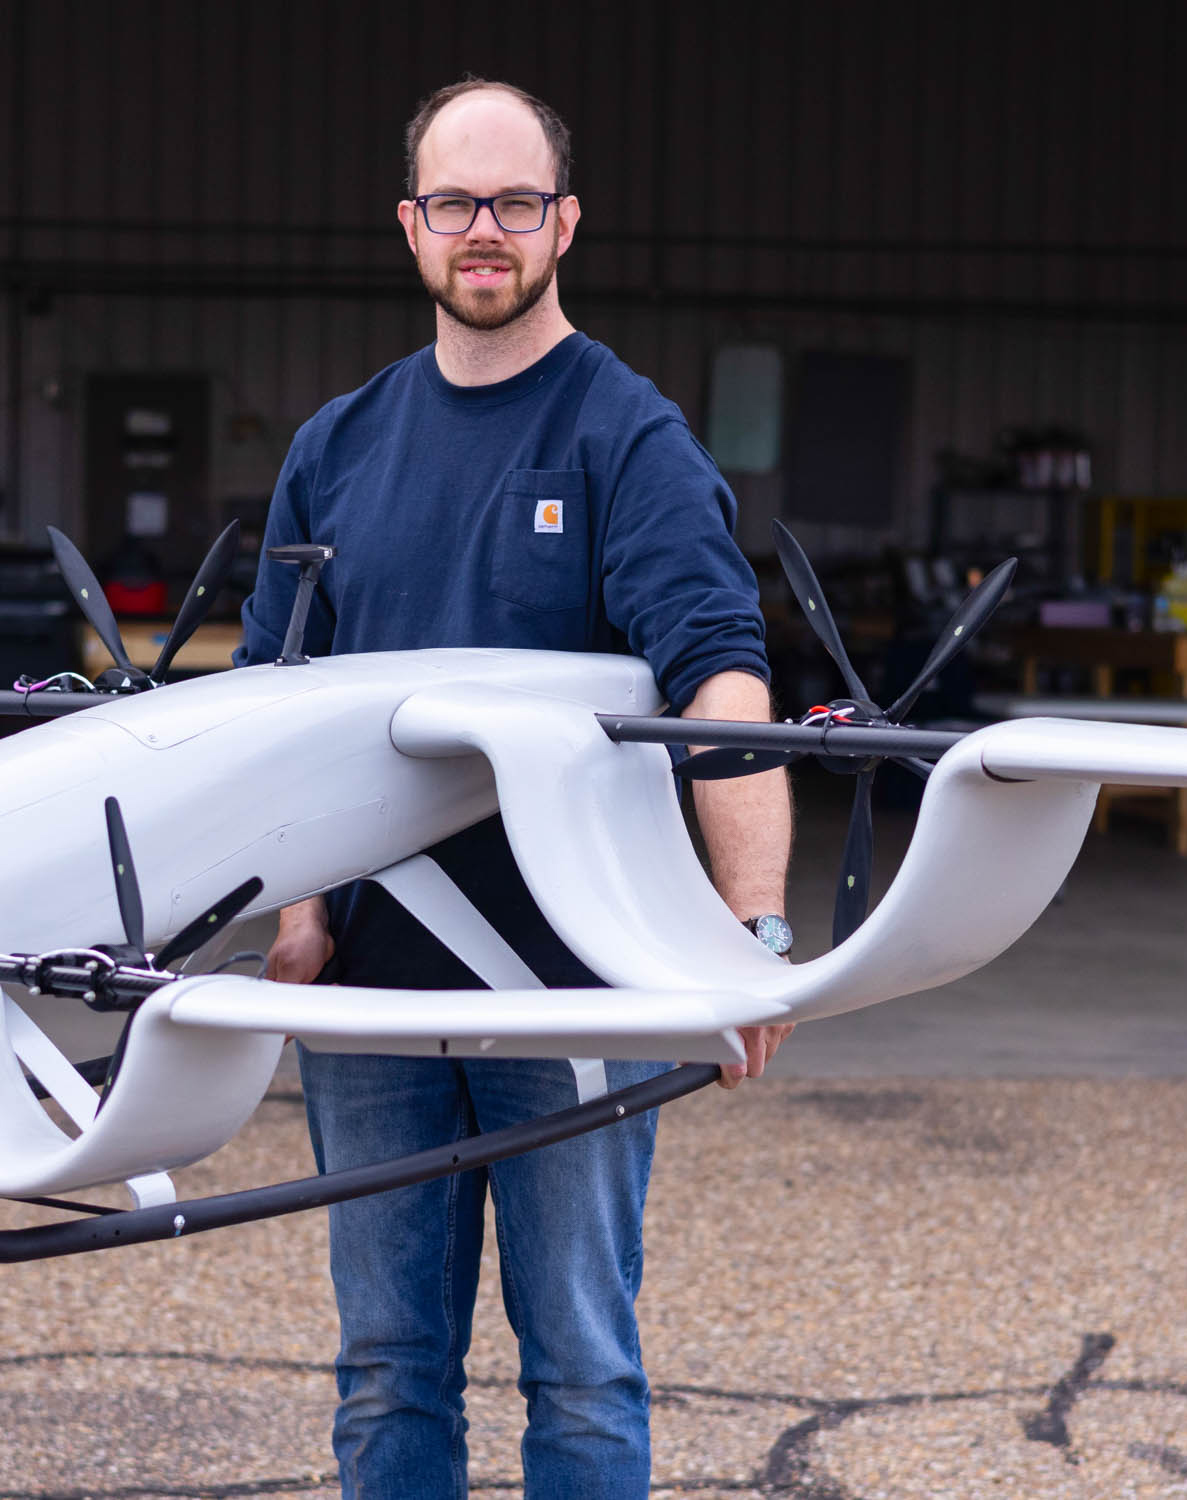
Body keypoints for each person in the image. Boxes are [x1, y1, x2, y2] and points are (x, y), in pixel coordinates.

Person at [235, 77, 794, 1498]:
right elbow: (271, 710)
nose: (485, 231)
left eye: (516, 203)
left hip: (576, 986)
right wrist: (296, 919)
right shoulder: (337, 447)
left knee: (585, 1379)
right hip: (372, 998)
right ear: (411, 225)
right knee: (385, 1380)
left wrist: (755, 929)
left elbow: (721, 673)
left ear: (566, 222)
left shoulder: (628, 436)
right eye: (456, 204)